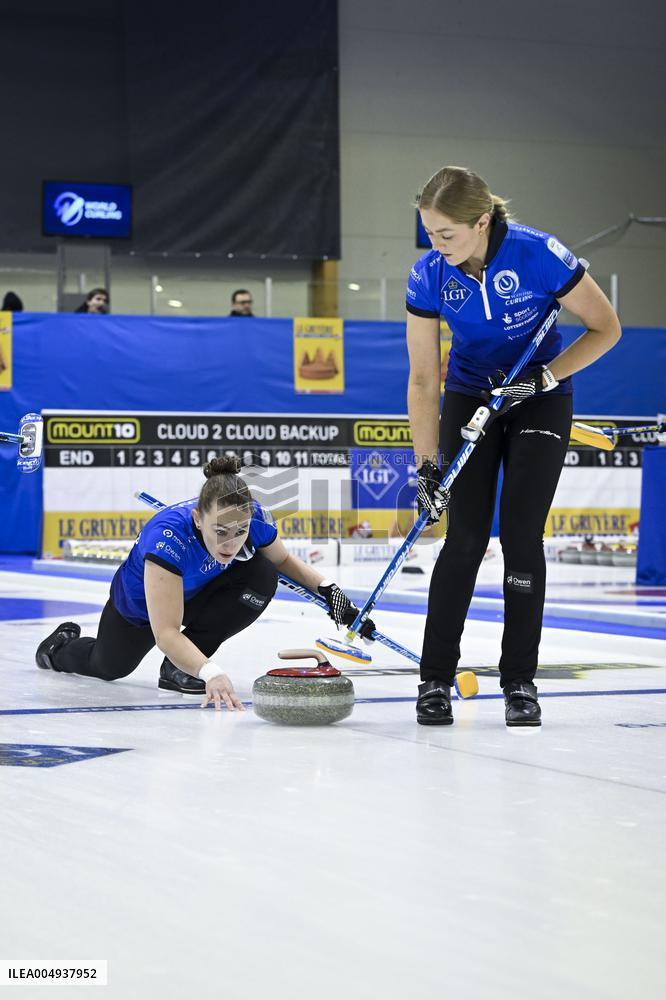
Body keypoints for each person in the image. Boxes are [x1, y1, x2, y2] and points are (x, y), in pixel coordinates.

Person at [406, 166, 621, 727]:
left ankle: (519, 682)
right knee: (466, 537)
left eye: (446, 235)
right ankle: (434, 680)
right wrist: (427, 469)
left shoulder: (538, 253)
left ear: (481, 222)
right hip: (471, 394)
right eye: (429, 233)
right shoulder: (429, 274)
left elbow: (606, 327)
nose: (436, 246)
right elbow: (425, 379)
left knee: (523, 536)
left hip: (538, 394)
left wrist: (547, 379)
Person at [35, 456, 374, 711]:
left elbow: (283, 561)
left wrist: (333, 593)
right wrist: (211, 673)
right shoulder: (168, 538)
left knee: (262, 573)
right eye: (220, 532)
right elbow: (165, 632)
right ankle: (58, 648)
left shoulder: (250, 517)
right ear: (198, 518)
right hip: (141, 610)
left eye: (240, 532)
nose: (231, 544)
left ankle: (176, 670)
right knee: (108, 667)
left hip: (197, 593)